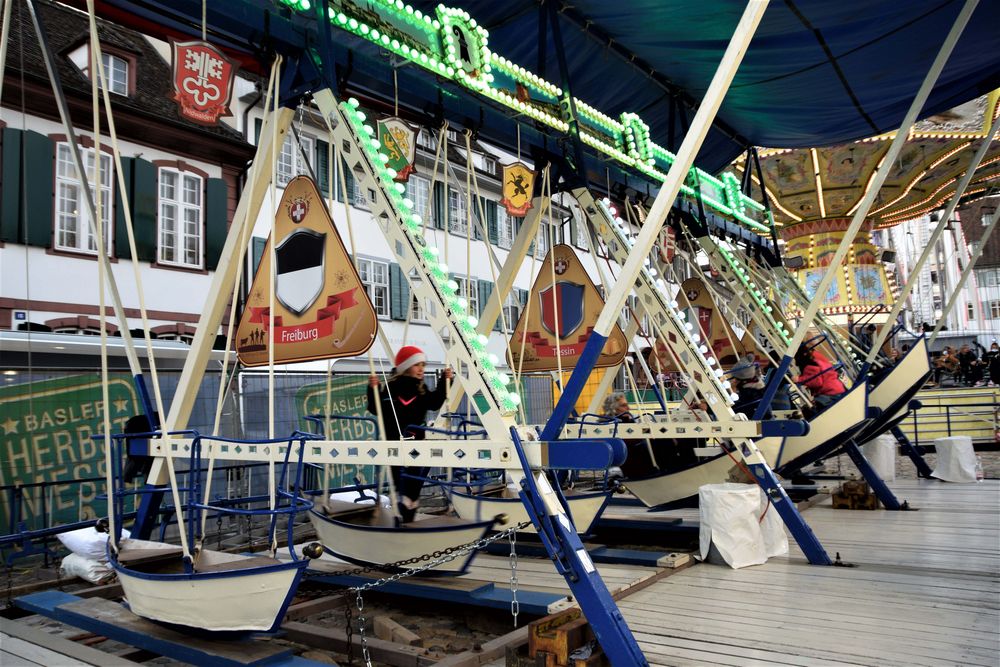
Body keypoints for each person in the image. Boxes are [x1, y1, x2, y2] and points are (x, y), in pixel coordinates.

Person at [367, 345, 453, 523]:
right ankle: (405, 509)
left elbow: (435, 402)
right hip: (394, 440)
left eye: (423, 365)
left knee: (413, 478)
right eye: (417, 365)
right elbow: (376, 408)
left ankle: (409, 509)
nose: (421, 369)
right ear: (406, 367)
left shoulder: (420, 389)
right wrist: (372, 390)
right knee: (399, 478)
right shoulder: (391, 388)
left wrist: (444, 381)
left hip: (416, 440)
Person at [730, 354, 771, 419]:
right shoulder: (756, 387)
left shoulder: (749, 392)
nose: (733, 380)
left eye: (735, 378)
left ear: (742, 380)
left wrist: (732, 390)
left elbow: (739, 408)